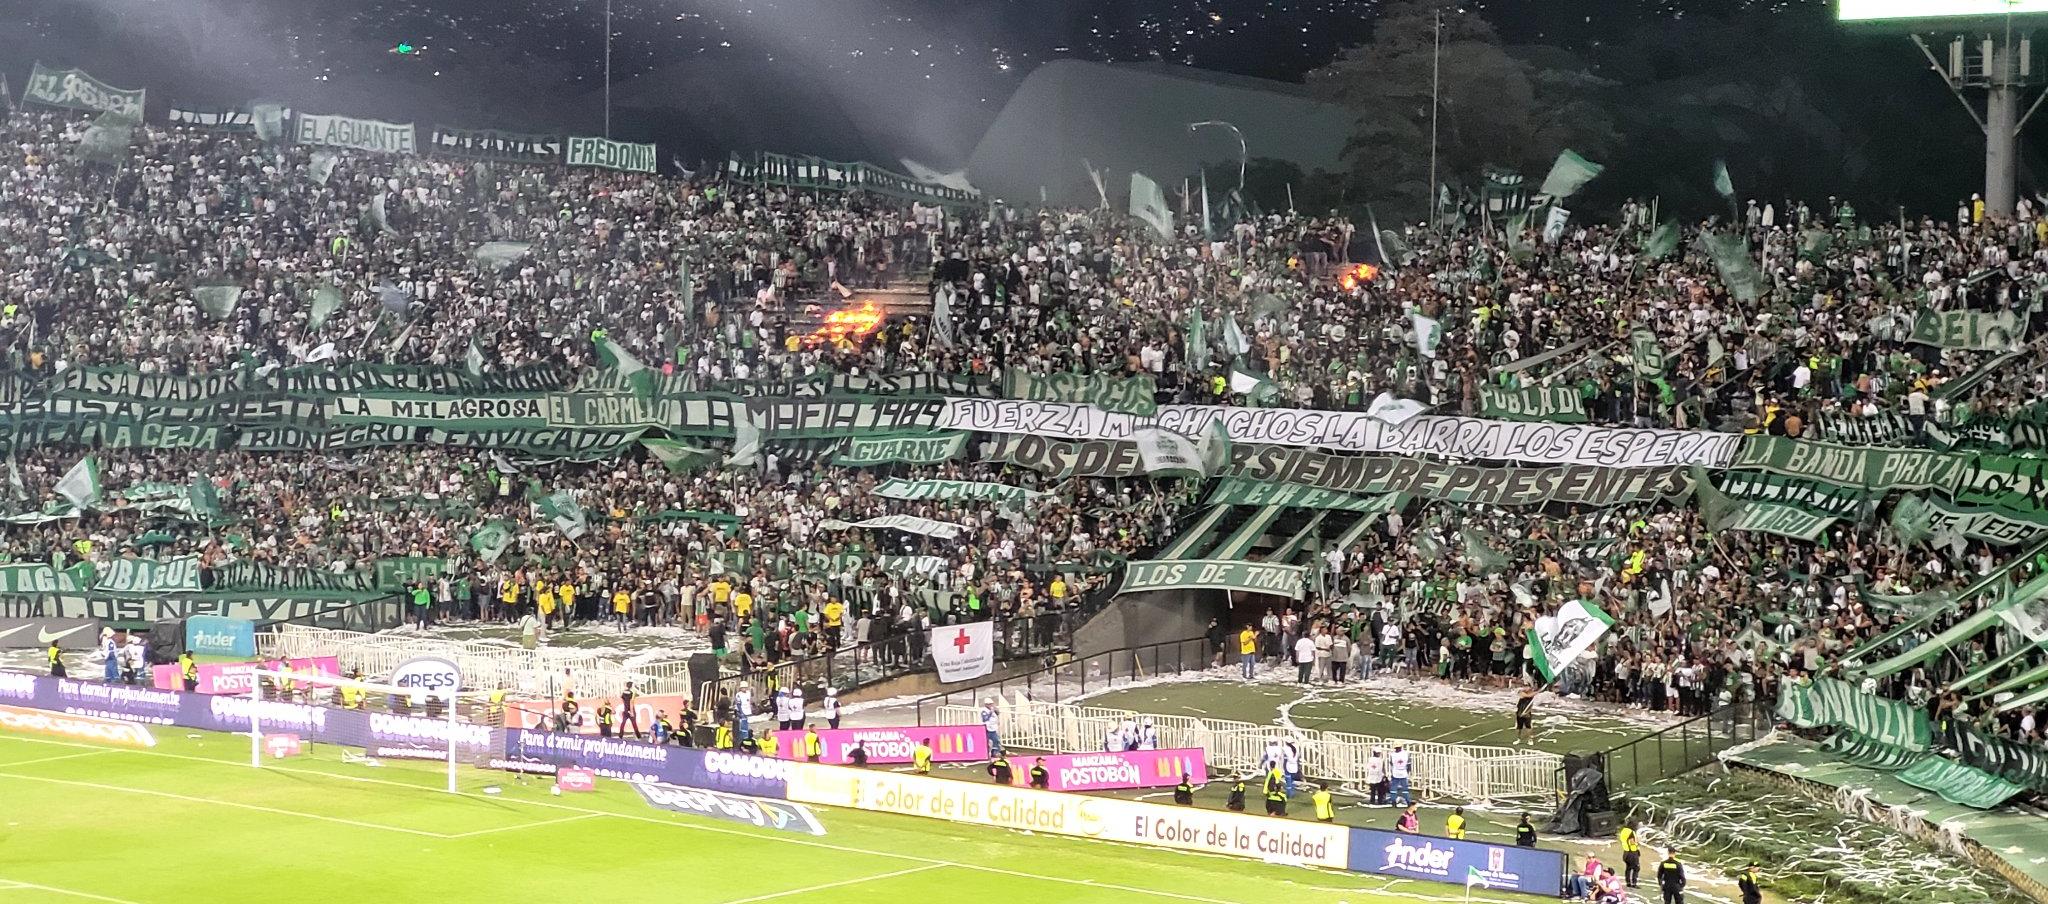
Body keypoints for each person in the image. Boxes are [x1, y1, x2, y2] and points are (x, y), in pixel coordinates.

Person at [1619, 819, 1642, 888]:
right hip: (1632, 853)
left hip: (1626, 852)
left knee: (1628, 868)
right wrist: (1637, 841)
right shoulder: (1631, 832)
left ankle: (1628, 882)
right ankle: (1634, 883)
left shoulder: (1623, 831)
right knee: (1636, 868)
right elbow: (1632, 842)